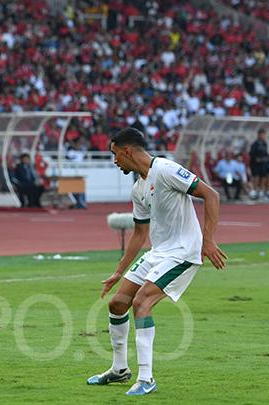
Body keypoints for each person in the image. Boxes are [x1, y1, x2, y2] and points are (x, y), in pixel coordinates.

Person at [87, 127, 227, 396]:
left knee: (142, 302)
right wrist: (119, 271)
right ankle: (119, 370)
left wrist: (208, 241)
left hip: (184, 252)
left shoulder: (165, 169)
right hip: (158, 253)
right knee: (117, 303)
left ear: (128, 151)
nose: (115, 161)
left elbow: (211, 195)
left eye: (116, 155)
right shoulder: (138, 188)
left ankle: (147, 378)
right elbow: (140, 234)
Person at [249, 128, 269, 199]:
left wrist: (267, 158)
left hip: (263, 164)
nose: (263, 136)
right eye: (262, 134)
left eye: (264, 134)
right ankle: (255, 191)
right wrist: (256, 159)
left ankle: (261, 191)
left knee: (263, 177)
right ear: (258, 135)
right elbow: (251, 153)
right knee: (256, 177)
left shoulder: (265, 143)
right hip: (256, 164)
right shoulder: (255, 144)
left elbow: (266, 153)